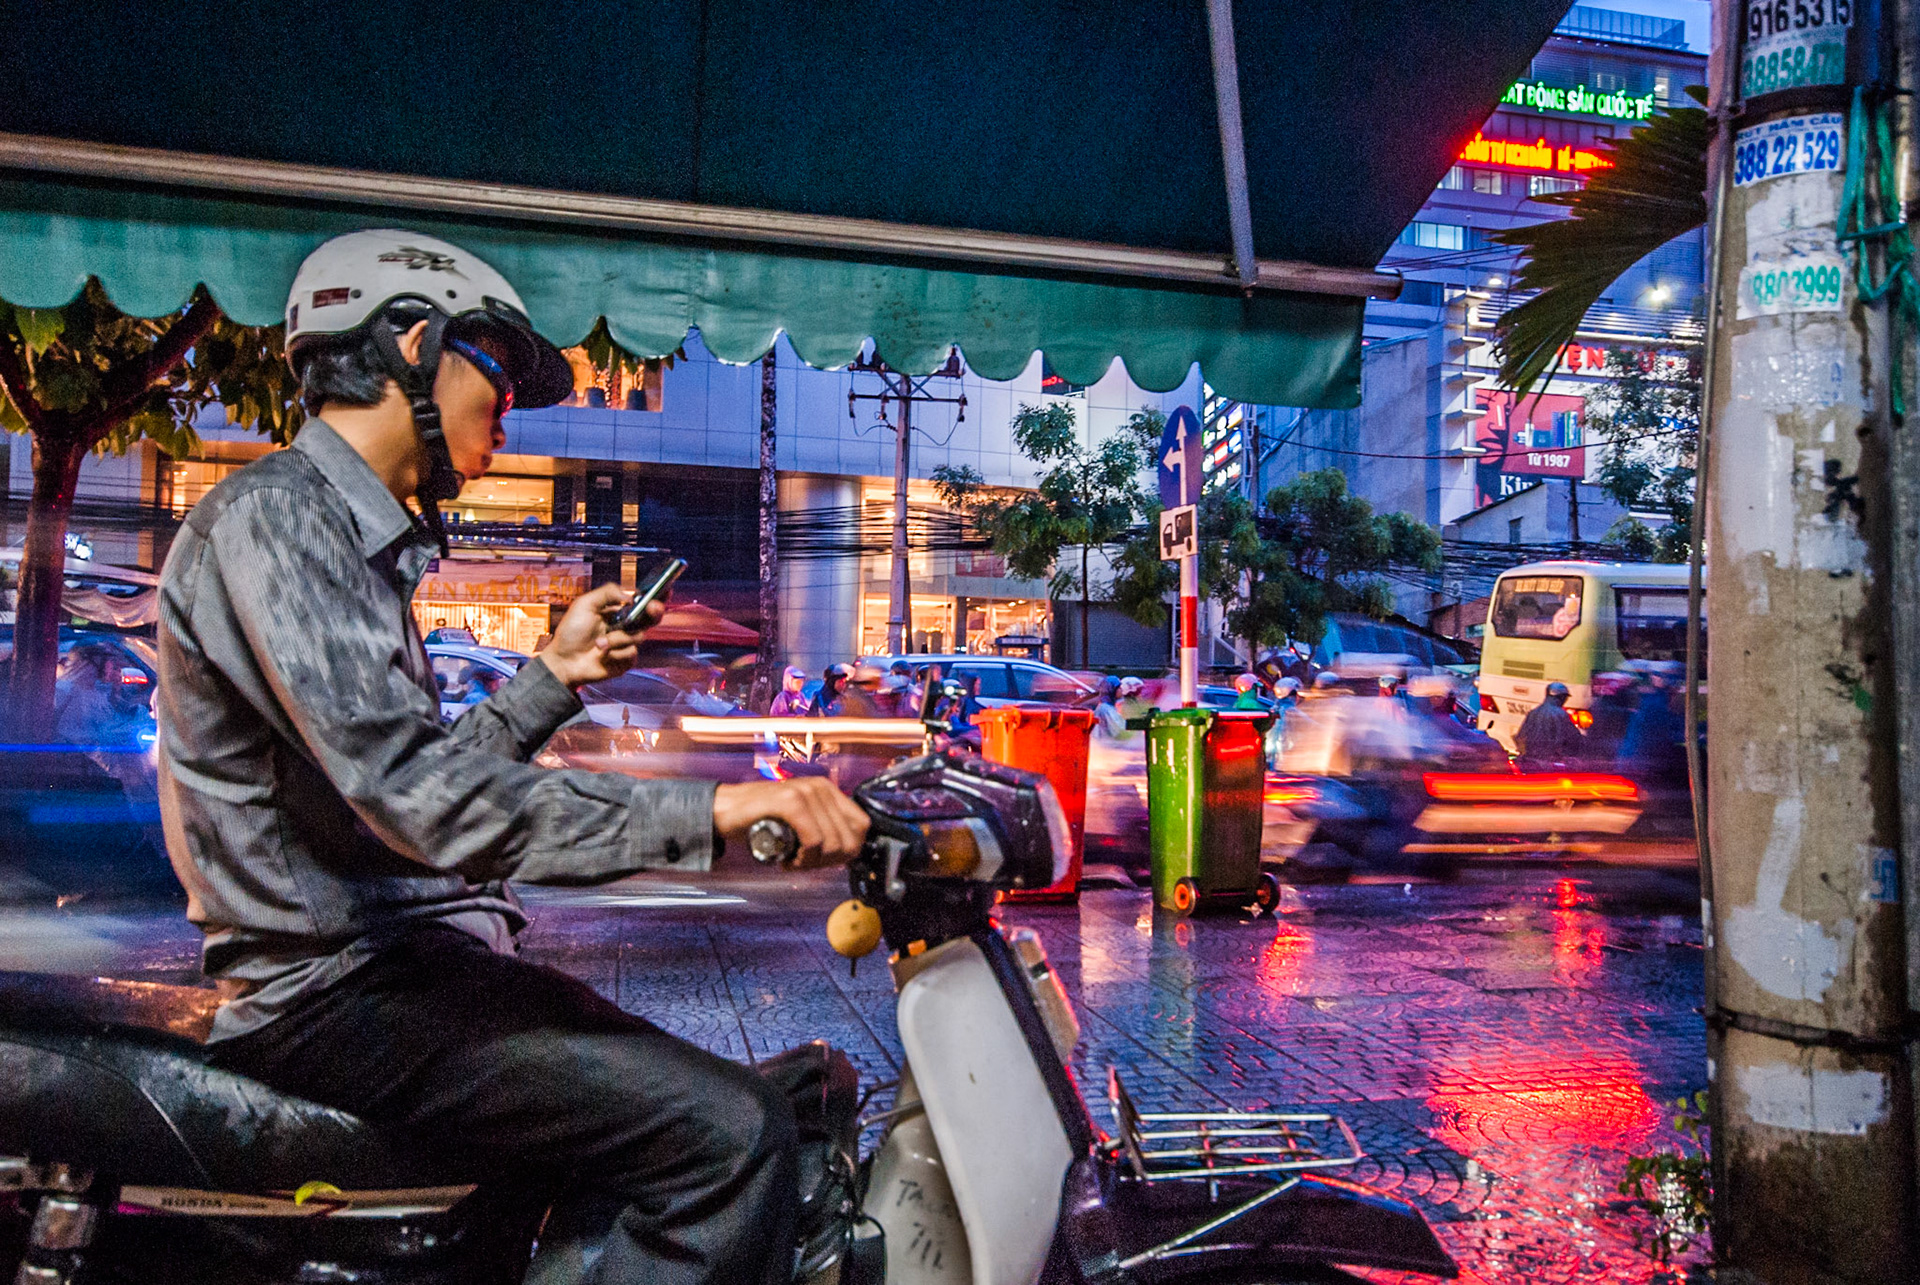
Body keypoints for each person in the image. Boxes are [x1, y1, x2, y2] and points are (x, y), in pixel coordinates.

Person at [156, 230, 869, 1285]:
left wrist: (554, 674)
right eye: (492, 373)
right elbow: (426, 802)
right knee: (732, 1140)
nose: (506, 413)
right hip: (335, 992)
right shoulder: (279, 521)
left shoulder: (356, 543)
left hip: (408, 965)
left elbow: (409, 785)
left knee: (799, 1095)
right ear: (411, 345)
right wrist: (711, 815)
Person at [1515, 680, 1584, 767]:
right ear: (1560, 697)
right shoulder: (1561, 714)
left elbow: (1521, 736)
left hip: (1531, 760)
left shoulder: (1534, 712)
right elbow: (1572, 738)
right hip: (1550, 762)